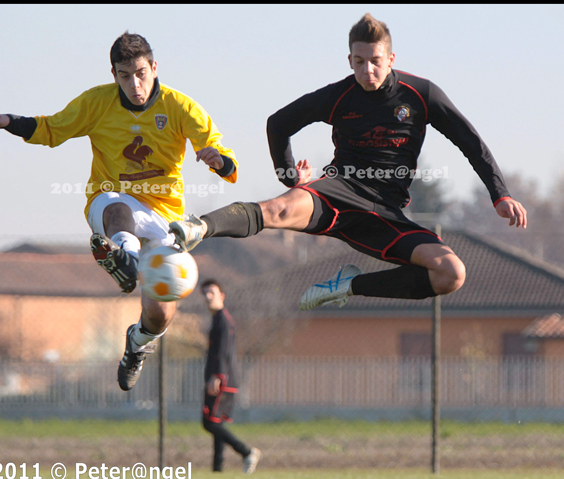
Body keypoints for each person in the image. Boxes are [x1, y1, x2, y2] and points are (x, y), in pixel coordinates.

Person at [170, 13, 527, 310]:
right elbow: (278, 124)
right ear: (349, 60)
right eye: (359, 62)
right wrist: (290, 176)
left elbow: (470, 141)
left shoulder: (422, 95)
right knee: (276, 210)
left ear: (391, 59)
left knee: (452, 274)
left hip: (385, 213)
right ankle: (197, 228)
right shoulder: (340, 95)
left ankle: (348, 286)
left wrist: (501, 194)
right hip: (337, 192)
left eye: (375, 61)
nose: (367, 70)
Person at [0, 32, 238, 391]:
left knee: (160, 313)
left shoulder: (181, 107)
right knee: (117, 208)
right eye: (125, 75)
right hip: (110, 197)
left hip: (165, 213)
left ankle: (138, 343)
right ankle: (125, 259)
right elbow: (52, 127)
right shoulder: (97, 103)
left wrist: (220, 161)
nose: (135, 84)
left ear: (155, 67)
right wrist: (9, 120)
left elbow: (221, 154)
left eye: (141, 73)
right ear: (113, 74)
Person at [200, 279, 262, 474]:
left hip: (222, 379)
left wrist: (216, 376)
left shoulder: (223, 320)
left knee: (209, 422)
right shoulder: (218, 319)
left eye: (212, 292)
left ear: (222, 296)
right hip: (225, 379)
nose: (208, 297)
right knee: (216, 422)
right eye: (205, 293)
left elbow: (223, 350)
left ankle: (247, 452)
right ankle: (217, 469)